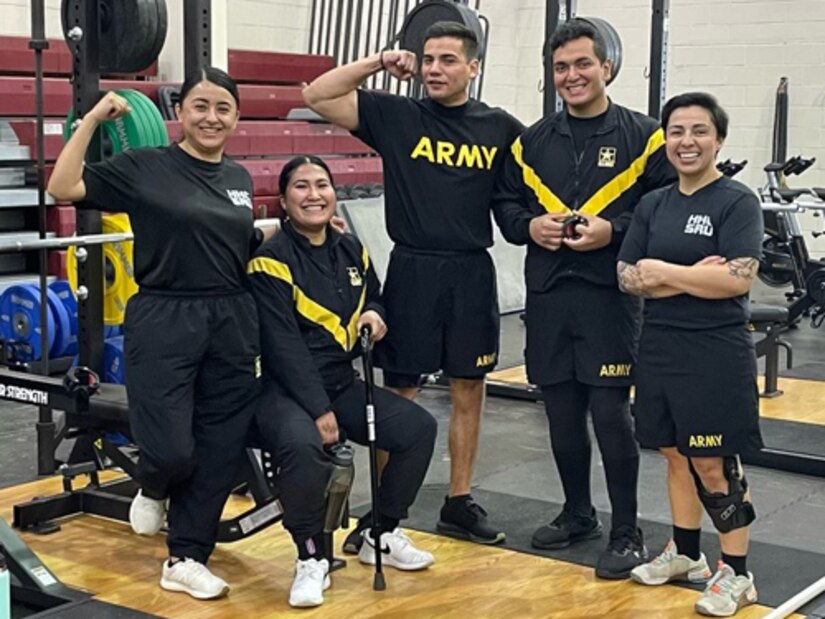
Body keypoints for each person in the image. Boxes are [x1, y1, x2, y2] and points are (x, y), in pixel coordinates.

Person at [47, 67, 277, 600]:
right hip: (165, 316)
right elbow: (62, 187)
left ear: (237, 118)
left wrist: (293, 230)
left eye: (223, 107)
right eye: (200, 106)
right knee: (172, 447)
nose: (211, 117)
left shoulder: (239, 180)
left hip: (230, 318)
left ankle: (187, 557)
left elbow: (233, 244)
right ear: (181, 114)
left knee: (221, 445)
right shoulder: (145, 168)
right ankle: (154, 483)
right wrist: (91, 120)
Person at [302, 20, 524, 548]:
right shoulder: (399, 114)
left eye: (449, 60)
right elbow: (317, 94)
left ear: (473, 66)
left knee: (470, 387)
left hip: (470, 271)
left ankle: (458, 501)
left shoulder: (502, 128)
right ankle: (382, 507)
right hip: (412, 269)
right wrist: (379, 62)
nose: (435, 69)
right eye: (428, 59)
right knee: (397, 392)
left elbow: (523, 197)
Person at [492, 19, 676, 579]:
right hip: (549, 293)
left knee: (609, 412)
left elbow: (661, 208)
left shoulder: (646, 137)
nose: (571, 76)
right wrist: (529, 228)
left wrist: (613, 232)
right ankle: (578, 513)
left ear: (607, 68)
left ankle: (626, 530)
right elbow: (505, 206)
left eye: (582, 64)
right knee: (562, 411)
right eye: (561, 68)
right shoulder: (530, 142)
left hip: (609, 297)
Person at [248, 155, 437, 608]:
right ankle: (310, 557)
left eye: (322, 185)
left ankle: (380, 531)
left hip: (340, 382)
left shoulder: (350, 248)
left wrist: (376, 312)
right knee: (304, 447)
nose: (313, 194)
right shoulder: (269, 262)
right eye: (301, 187)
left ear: (335, 194)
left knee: (417, 430)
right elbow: (283, 347)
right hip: (283, 391)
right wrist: (319, 409)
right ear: (283, 199)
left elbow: (374, 294)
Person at [617, 92, 762, 617]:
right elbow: (627, 275)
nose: (687, 142)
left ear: (718, 139)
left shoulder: (736, 201)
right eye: (676, 131)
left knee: (713, 462)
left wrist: (666, 273)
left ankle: (737, 574)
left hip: (715, 351)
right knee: (675, 453)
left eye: (699, 131)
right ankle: (686, 553)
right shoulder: (655, 203)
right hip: (658, 345)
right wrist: (693, 275)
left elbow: (736, 278)